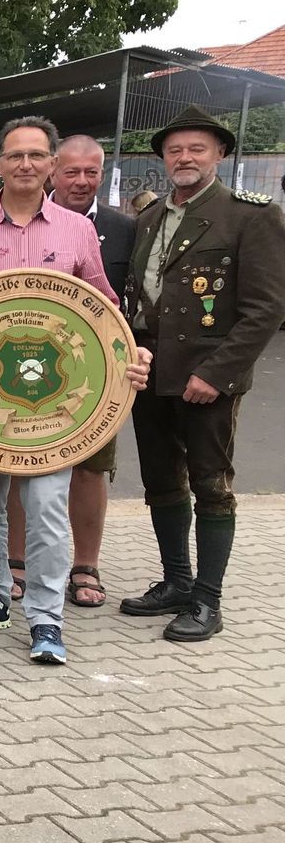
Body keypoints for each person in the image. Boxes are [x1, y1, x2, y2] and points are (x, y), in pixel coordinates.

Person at [0, 116, 151, 665]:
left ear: (51, 164)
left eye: (37, 155)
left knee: (45, 508)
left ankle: (45, 618)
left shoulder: (76, 230)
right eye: (15, 155)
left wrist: (129, 356)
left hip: (54, 403)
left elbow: (103, 306)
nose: (25, 164)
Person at [120, 105, 285, 641]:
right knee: (161, 482)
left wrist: (217, 373)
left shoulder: (251, 215)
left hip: (208, 378)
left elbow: (266, 308)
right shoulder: (149, 218)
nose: (185, 157)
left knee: (211, 485)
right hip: (150, 372)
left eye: (197, 148)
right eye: (175, 150)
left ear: (220, 154)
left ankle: (208, 601)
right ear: (164, 158)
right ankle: (177, 582)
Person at [3, 136, 134, 609]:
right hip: (22, 365)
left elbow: (121, 300)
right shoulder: (20, 223)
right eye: (72, 172)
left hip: (93, 373)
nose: (81, 181)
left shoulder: (125, 228)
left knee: (91, 469)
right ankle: (16, 561)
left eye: (91, 172)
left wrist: (131, 353)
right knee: (19, 463)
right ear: (55, 171)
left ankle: (85, 565)